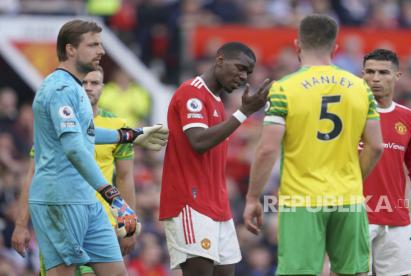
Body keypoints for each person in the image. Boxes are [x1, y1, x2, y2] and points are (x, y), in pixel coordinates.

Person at [243, 14, 384, 276]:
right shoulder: (361, 88)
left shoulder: (284, 89)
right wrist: (354, 177)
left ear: (297, 45)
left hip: (301, 199)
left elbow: (267, 149)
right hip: (348, 198)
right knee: (353, 272)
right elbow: (376, 146)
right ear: (335, 47)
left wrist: (253, 197)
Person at [27, 19, 167, 276]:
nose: (101, 51)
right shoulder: (59, 89)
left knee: (116, 272)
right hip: (60, 199)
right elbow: (75, 148)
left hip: (87, 201)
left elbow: (86, 133)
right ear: (70, 50)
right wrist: (114, 198)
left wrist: (133, 135)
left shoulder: (76, 88)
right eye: (93, 45)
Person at [12, 67, 139, 275]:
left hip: (101, 222)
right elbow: (33, 173)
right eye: (84, 83)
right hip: (62, 216)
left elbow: (125, 177)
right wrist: (21, 223)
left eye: (95, 83)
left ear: (103, 87)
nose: (89, 88)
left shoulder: (118, 125)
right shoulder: (53, 123)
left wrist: (129, 227)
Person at [159, 42, 271, 276]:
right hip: (190, 203)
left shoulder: (217, 102)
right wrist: (243, 113)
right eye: (239, 68)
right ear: (220, 59)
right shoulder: (192, 92)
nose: (243, 77)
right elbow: (198, 141)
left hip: (217, 206)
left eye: (248, 73)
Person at [361, 48, 411, 275]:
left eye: (383, 72)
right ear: (362, 74)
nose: (375, 78)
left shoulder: (409, 118)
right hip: (356, 217)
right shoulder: (350, 113)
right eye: (370, 72)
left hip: (396, 216)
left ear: (397, 76)